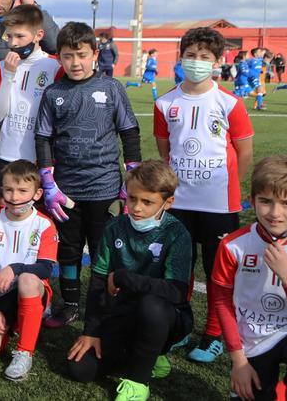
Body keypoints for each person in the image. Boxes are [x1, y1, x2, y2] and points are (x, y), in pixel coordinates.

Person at [154, 27, 254, 364]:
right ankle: (182, 325)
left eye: (205, 57)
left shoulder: (229, 103)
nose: (197, 62)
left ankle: (213, 334)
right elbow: (166, 151)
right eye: (191, 55)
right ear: (182, 56)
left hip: (218, 205)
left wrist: (230, 191)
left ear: (218, 61)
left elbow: (244, 152)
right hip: (179, 202)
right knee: (179, 268)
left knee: (217, 272)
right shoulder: (165, 102)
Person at [36, 22, 142, 329]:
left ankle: (100, 305)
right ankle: (69, 304)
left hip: (104, 186)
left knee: (102, 249)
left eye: (81, 55)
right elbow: (42, 138)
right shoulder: (54, 92)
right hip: (66, 190)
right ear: (60, 59)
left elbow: (129, 132)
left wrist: (131, 176)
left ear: (95, 53)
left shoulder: (111, 88)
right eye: (68, 56)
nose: (75, 63)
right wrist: (48, 182)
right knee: (68, 250)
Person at [65, 160, 194, 401]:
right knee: (81, 369)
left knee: (151, 306)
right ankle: (146, 355)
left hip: (167, 317)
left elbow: (176, 292)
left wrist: (125, 277)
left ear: (168, 202)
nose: (136, 207)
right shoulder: (114, 227)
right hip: (123, 312)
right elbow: (98, 281)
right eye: (132, 198)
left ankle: (139, 381)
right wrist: (92, 332)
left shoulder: (176, 233)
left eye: (147, 202)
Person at [213, 156, 287, 401]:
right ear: (251, 201)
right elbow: (222, 304)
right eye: (266, 201)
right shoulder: (232, 246)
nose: (275, 213)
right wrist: (238, 361)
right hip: (253, 338)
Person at [0, 160, 58, 382]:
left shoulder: (45, 225)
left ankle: (24, 352)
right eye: (9, 189)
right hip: (0, 292)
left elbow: (46, 269)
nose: (14, 196)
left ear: (37, 193)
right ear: (1, 189)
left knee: (27, 280)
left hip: (31, 288)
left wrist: (15, 268)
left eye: (22, 191)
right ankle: (16, 323)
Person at [0, 5, 62, 170]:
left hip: (40, 157)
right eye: (9, 36)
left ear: (38, 35)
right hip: (6, 154)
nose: (13, 43)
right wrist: (8, 75)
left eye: (20, 36)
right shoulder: (3, 66)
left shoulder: (55, 66)